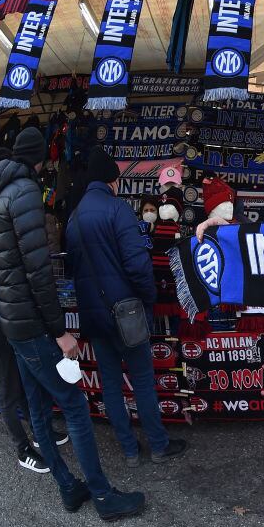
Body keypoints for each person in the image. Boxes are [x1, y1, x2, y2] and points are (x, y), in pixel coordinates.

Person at [0, 128, 144, 520]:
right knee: (73, 404)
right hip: (34, 325)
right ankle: (103, 496)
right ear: (40, 160)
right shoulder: (23, 194)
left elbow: (4, 268)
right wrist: (59, 331)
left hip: (13, 321)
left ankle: (68, 487)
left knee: (38, 408)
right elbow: (38, 271)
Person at [65, 147, 187, 467]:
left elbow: (72, 272)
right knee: (142, 381)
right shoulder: (118, 210)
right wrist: (148, 299)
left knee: (110, 384)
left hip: (94, 315)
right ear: (112, 181)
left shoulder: (74, 217)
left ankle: (129, 450)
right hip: (128, 313)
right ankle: (158, 445)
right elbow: (138, 266)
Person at [0, 146, 60, 473]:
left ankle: (39, 430)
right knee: (6, 380)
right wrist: (3, 300)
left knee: (21, 374)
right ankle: (22, 448)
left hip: (1, 309)